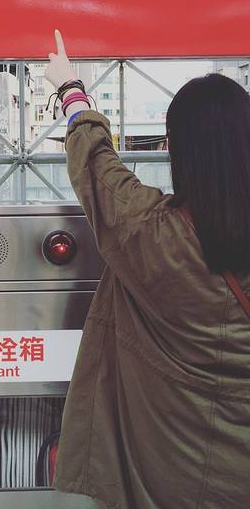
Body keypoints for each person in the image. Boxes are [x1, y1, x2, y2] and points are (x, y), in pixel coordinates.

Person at [44, 31, 250, 509]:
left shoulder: (151, 232)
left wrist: (70, 88)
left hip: (170, 473)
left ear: (175, 147)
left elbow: (97, 164)